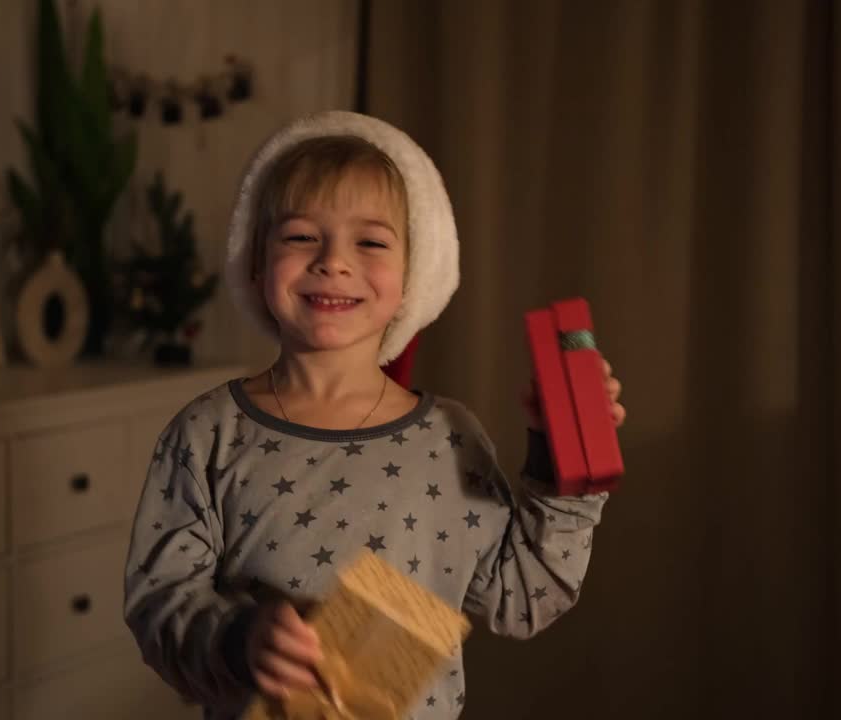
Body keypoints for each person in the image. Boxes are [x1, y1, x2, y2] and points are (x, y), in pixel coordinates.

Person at [123, 111, 626, 719]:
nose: (334, 261)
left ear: (412, 277)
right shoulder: (205, 435)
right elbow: (159, 602)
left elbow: (526, 596)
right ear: (255, 265)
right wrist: (238, 640)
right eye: (301, 236)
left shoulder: (451, 437)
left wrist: (559, 458)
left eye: (370, 241)